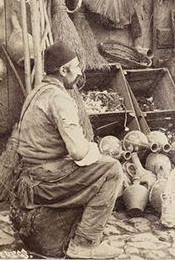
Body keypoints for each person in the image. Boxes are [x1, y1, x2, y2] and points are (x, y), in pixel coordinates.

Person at [15, 42, 123, 259]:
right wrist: (96, 151)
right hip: (45, 179)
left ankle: (77, 232)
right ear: (63, 71)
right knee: (112, 169)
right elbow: (78, 152)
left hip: (31, 177)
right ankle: (85, 242)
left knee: (98, 168)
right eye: (76, 67)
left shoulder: (37, 92)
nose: (80, 72)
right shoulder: (59, 98)